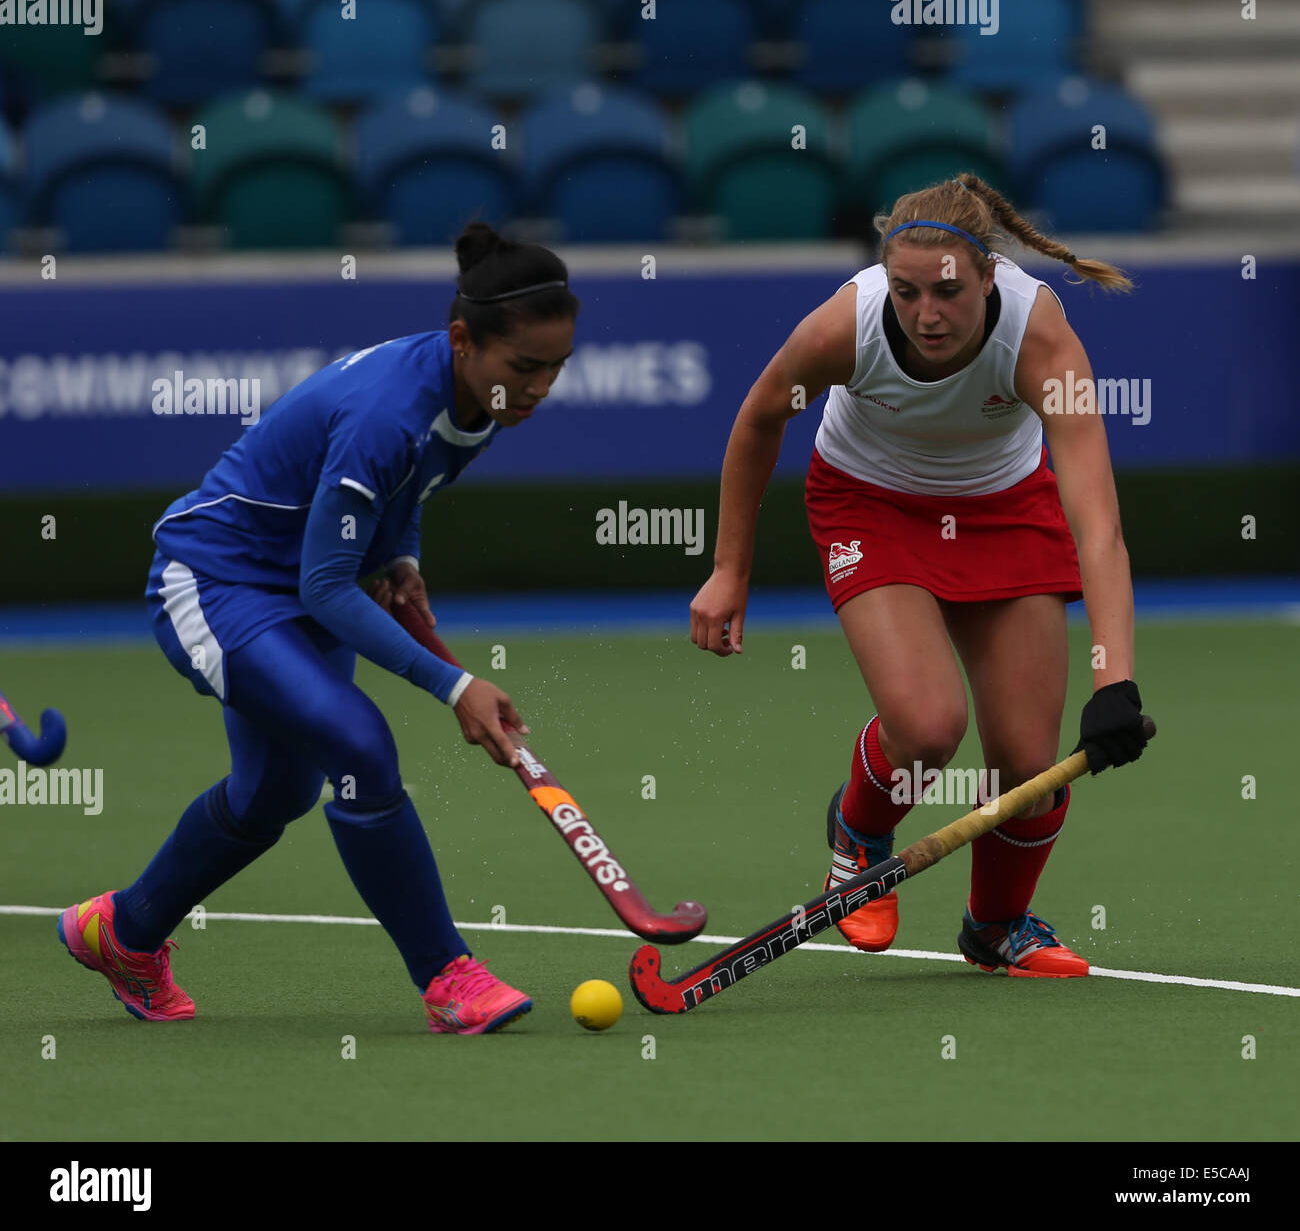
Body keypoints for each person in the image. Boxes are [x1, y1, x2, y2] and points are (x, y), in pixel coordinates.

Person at [58, 222, 578, 1031]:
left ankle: (122, 933)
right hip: (217, 580)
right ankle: (449, 978)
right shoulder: (388, 411)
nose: (542, 387)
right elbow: (329, 583)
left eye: (555, 368)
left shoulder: (479, 397)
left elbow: (404, 493)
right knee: (360, 749)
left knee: (276, 792)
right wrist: (454, 685)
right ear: (463, 340)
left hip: (303, 581)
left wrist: (400, 554)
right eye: (526, 367)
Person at [689, 175, 1149, 977]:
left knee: (1027, 769)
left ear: (988, 276)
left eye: (947, 292)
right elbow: (761, 416)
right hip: (870, 507)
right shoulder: (847, 327)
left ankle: (997, 926)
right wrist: (730, 569)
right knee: (931, 728)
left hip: (1006, 510)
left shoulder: (1039, 338)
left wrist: (1117, 681)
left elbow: (1099, 526)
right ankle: (861, 830)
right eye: (906, 292)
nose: (926, 314)